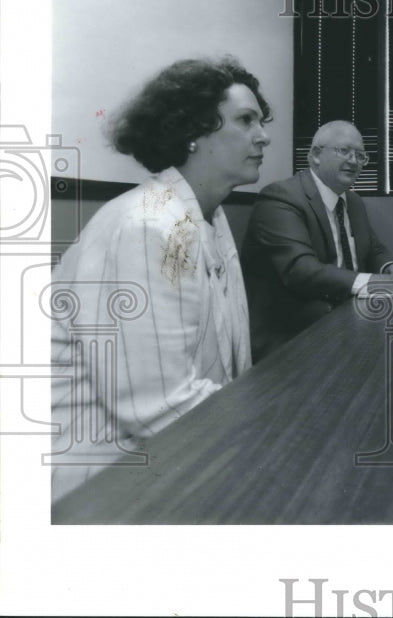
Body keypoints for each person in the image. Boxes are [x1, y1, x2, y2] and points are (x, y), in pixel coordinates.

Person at [49, 56, 271, 502]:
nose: (263, 136)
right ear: (192, 133)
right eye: (246, 121)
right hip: (93, 479)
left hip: (166, 451)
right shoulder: (149, 226)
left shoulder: (204, 215)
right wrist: (276, 423)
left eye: (261, 122)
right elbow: (158, 407)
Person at [241, 120, 393, 361]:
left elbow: (374, 250)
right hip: (294, 338)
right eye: (343, 151)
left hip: (350, 322)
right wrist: (387, 283)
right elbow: (302, 271)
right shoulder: (282, 197)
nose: (354, 161)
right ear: (315, 155)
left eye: (360, 155)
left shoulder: (353, 201)